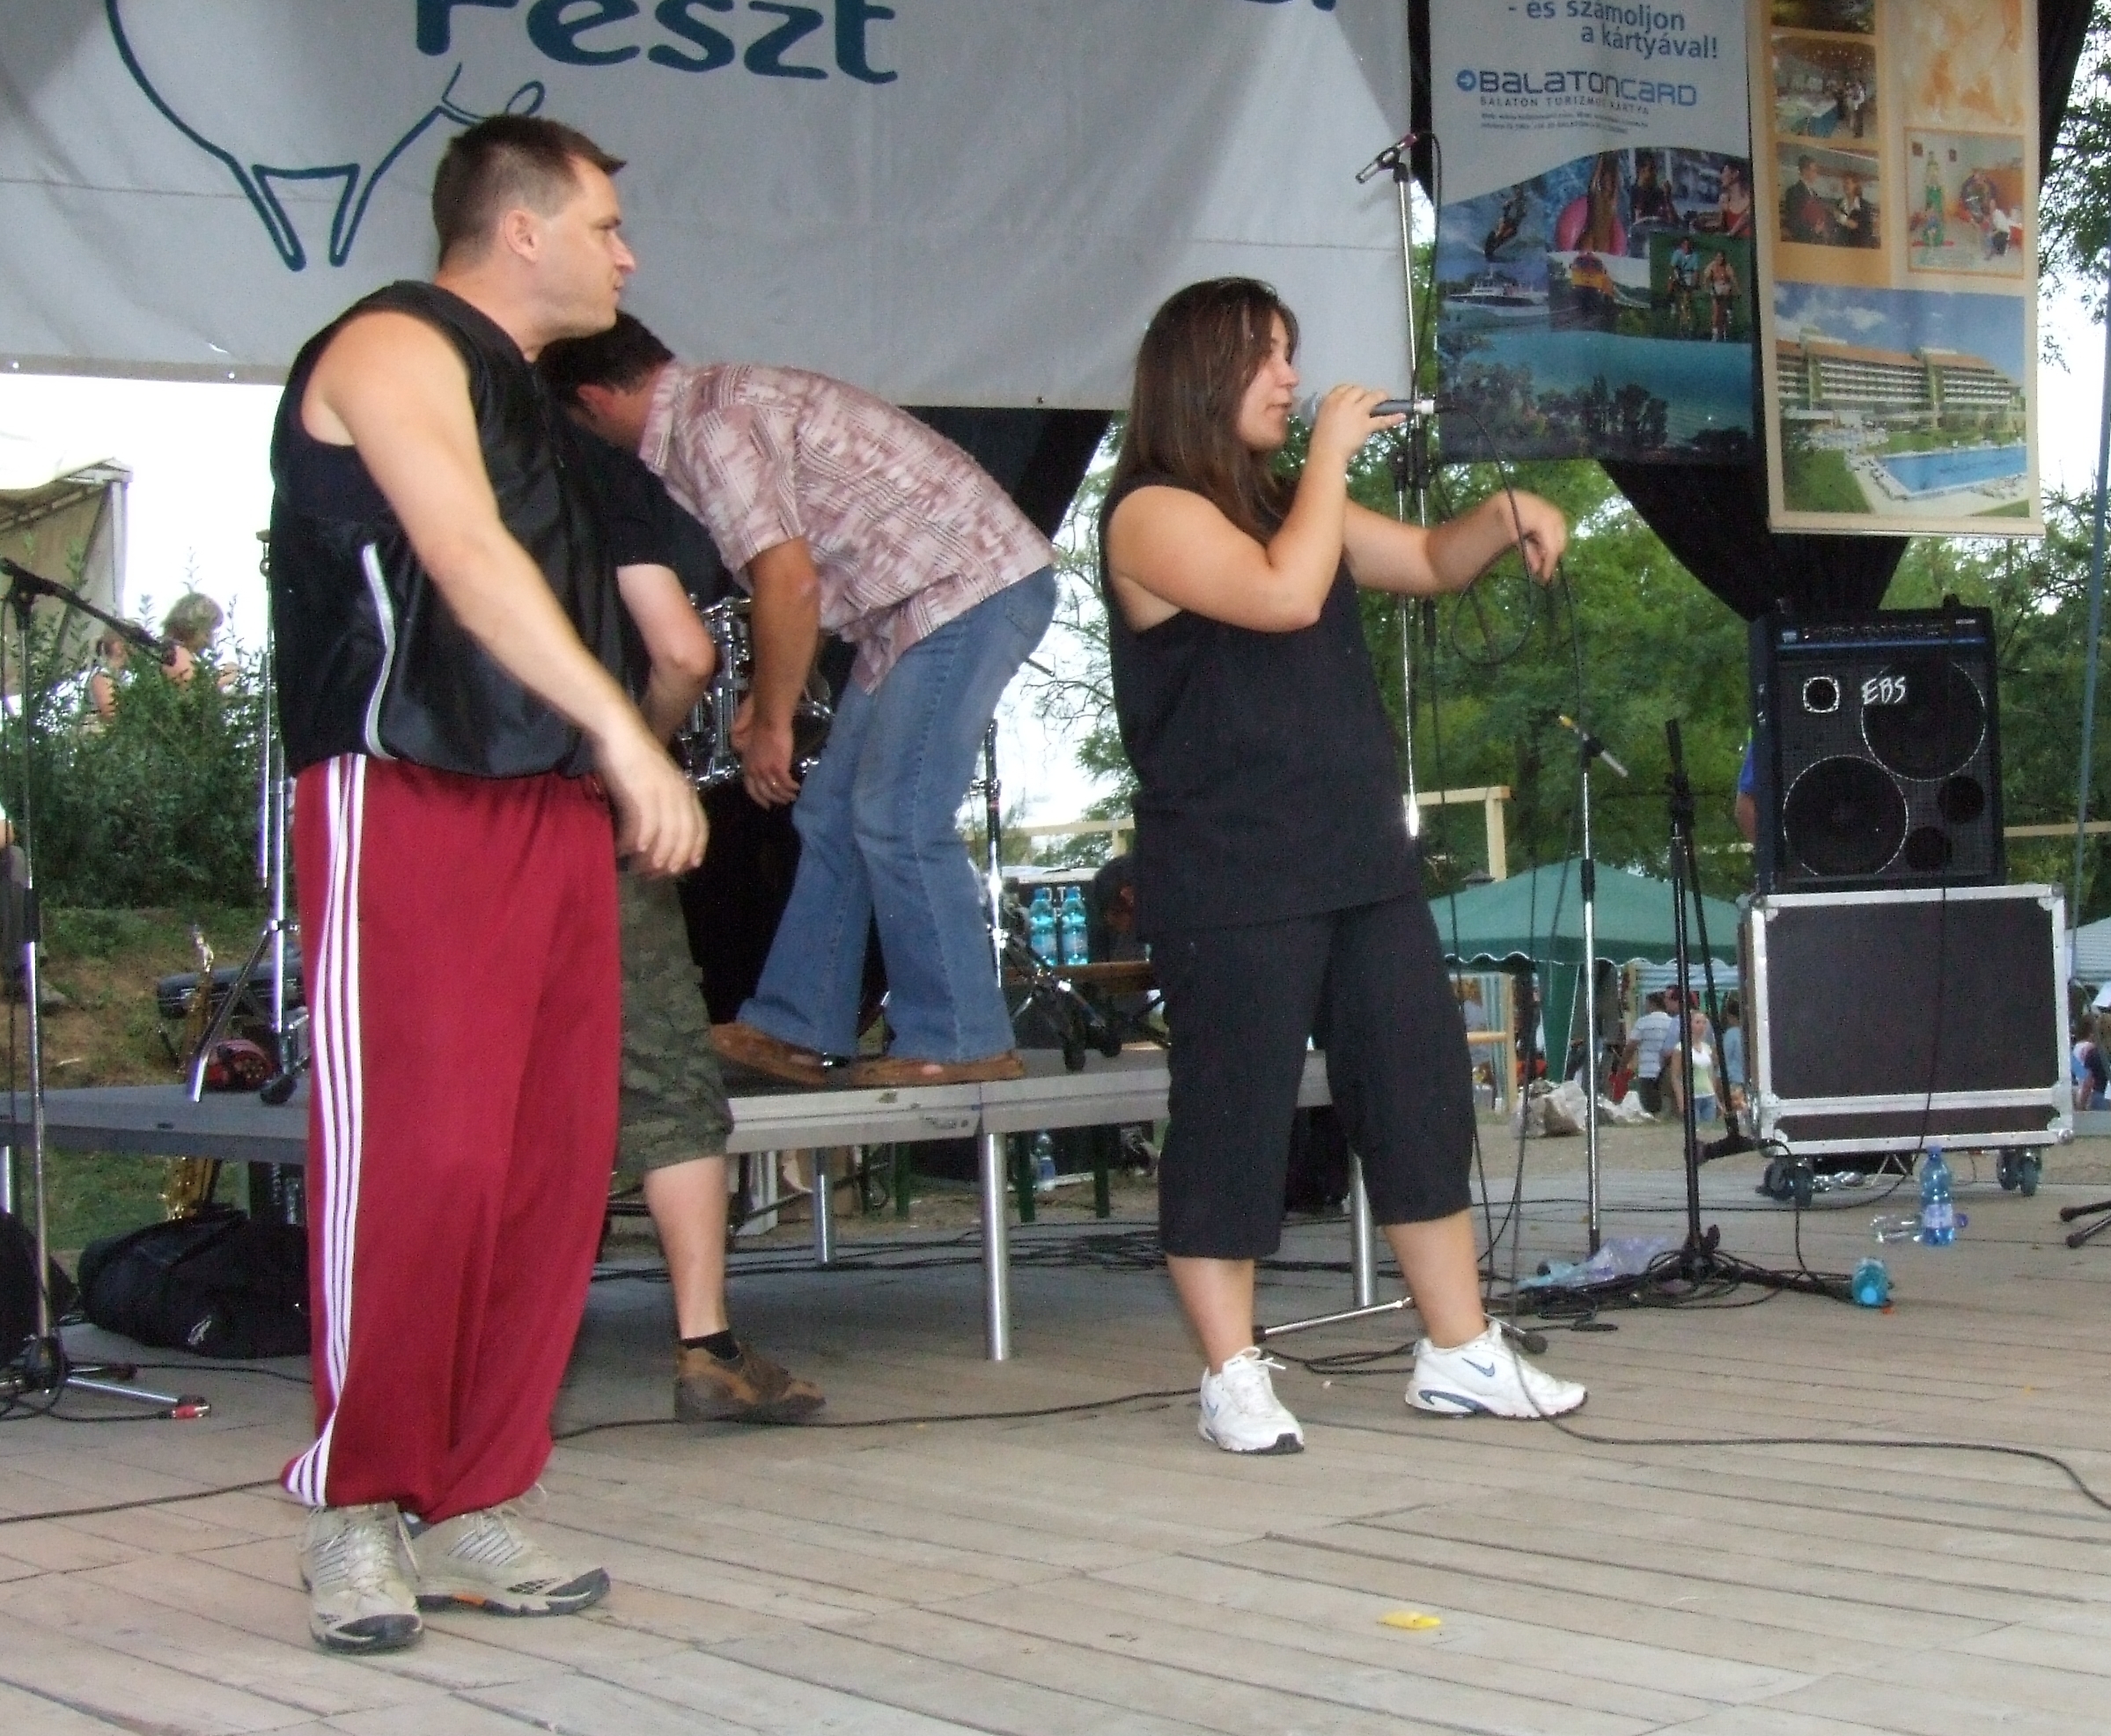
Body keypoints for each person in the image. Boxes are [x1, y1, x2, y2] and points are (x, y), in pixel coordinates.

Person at [268, 114, 707, 1655]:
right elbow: (459, 550)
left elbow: (646, 612)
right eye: (604, 225)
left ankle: (471, 1495)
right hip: (406, 793)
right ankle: (355, 1504)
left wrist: (618, 742)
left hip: (545, 812)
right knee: (425, 1160)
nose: (627, 256)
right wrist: (628, 736)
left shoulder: (548, 412)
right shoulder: (389, 345)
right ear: (520, 229)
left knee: (545, 1166)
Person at [1098, 277, 1586, 1453]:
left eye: (1291, 353)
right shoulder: (1149, 513)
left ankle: (1459, 1348)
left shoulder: (1288, 502)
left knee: (1417, 1090)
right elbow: (1280, 594)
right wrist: (1327, 457)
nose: (1292, 376)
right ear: (1202, 374)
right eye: (1268, 356)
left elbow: (1424, 559)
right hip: (1233, 870)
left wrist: (1503, 511)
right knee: (1236, 1114)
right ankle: (1231, 1370)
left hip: (1357, 855)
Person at [540, 314, 1056, 1091]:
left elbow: (789, 581)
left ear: (591, 400)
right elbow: (804, 569)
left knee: (897, 813)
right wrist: (769, 692)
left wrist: (774, 720)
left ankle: (962, 1036)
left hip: (967, 588)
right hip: (915, 607)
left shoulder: (710, 426)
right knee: (830, 812)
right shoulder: (717, 407)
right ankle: (797, 1024)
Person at [573, 427, 826, 1426]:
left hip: (448, 806)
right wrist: (633, 750)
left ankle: (472, 1342)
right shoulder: (593, 468)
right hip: (581, 800)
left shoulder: (426, 442)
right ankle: (706, 1344)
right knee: (665, 1067)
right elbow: (684, 649)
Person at [1626, 986, 1678, 1116]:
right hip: (1666, 1071)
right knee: (1666, 1107)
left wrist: (1623, 1065)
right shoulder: (1672, 1022)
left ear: (1652, 1004)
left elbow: (1631, 1046)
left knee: (1649, 1108)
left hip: (1647, 1071)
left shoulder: (1642, 1022)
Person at [1782, 155, 1832, 246]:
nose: (1816, 174)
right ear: (1805, 171)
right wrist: (1813, 230)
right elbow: (1794, 220)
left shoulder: (1814, 193)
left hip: (1816, 238)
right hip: (1802, 240)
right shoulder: (1793, 191)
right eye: (1814, 171)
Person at [1664, 237, 1700, 337]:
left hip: (1688, 274)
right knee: (1671, 281)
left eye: (1688, 245)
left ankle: (1687, 320)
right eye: (1685, 245)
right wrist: (1676, 278)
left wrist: (1694, 284)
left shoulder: (1695, 256)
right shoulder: (1677, 253)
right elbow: (1672, 267)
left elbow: (1696, 271)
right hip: (1678, 272)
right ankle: (1672, 303)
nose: (1686, 247)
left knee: (1687, 297)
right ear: (1682, 246)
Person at [1703, 248, 1740, 342]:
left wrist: (1738, 290)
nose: (1720, 259)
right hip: (1715, 286)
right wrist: (1706, 288)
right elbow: (1706, 278)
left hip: (1725, 286)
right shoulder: (1712, 266)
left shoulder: (1727, 266)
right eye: (1718, 257)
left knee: (1727, 294)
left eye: (1721, 257)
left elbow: (1733, 278)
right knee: (1716, 310)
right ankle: (1715, 332)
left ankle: (1728, 311)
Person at [1832, 171, 1876, 248]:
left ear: (1855, 185)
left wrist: (1854, 225)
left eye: (1847, 183)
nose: (1845, 186)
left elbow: (1867, 230)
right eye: (1844, 183)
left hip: (1858, 247)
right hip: (1840, 247)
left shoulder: (1864, 206)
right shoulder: (1838, 204)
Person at [1716, 161, 1754, 238]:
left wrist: (1731, 233)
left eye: (1724, 172)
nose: (1721, 176)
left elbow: (1745, 218)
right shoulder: (1724, 199)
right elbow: (1721, 226)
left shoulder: (1752, 197)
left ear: (1735, 174)